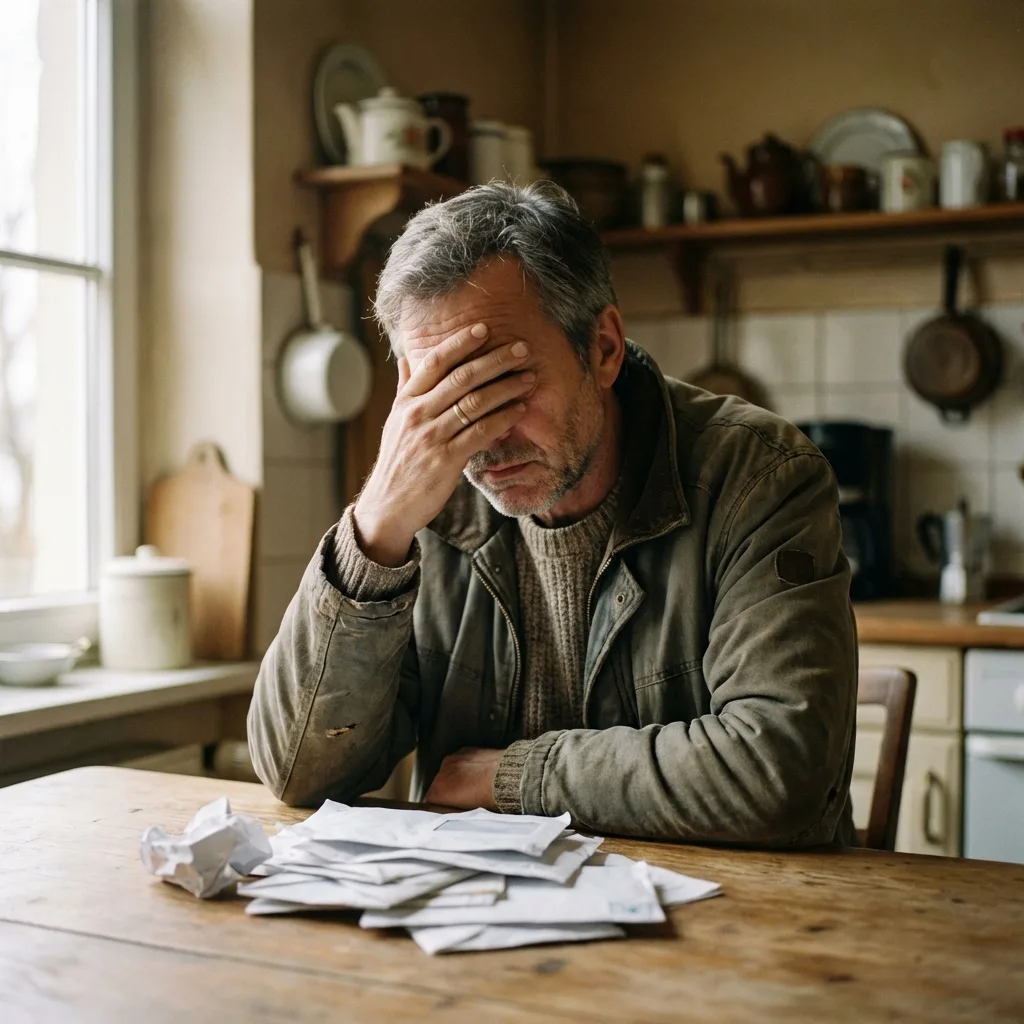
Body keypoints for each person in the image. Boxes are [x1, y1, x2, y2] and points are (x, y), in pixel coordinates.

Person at [248, 181, 858, 847]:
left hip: (742, 919)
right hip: (485, 923)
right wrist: (375, 532)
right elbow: (295, 772)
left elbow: (779, 772)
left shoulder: (761, 474)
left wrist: (517, 775)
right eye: (445, 390)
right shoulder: (419, 505)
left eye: (504, 381)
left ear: (602, 348)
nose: (482, 432)